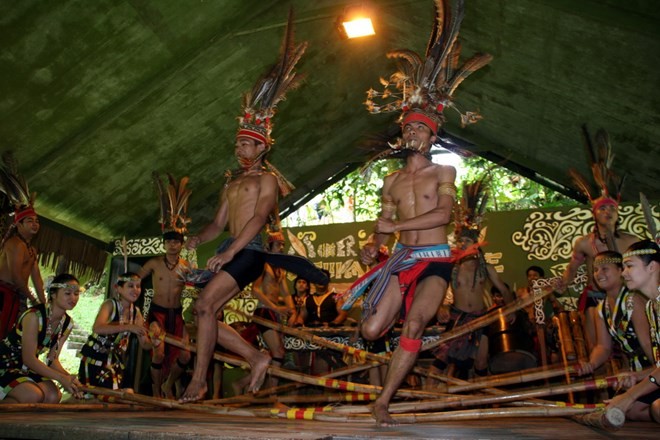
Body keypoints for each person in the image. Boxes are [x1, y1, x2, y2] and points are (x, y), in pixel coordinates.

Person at [349, 0, 491, 425]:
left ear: (431, 137)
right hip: (399, 260)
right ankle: (396, 360)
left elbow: (443, 217)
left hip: (434, 261)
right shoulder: (390, 182)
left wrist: (396, 226)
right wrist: (372, 248)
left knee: (413, 325)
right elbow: (381, 230)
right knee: (371, 331)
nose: (412, 132)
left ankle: (383, 400)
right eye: (407, 127)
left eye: (420, 129)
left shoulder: (443, 170)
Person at [178, 16, 318, 403]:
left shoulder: (267, 181)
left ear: (262, 148)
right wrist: (197, 239)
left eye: (246, 145)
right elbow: (218, 224)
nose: (239, 149)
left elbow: (257, 219)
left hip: (251, 252)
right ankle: (255, 357)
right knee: (203, 314)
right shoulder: (232, 183)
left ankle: (199, 381)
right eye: (237, 144)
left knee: (205, 306)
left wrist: (229, 251)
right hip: (235, 249)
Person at [562, 127, 638, 353]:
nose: (607, 211)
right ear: (594, 213)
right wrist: (563, 282)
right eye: (602, 208)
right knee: (597, 349)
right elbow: (572, 270)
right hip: (595, 299)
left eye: (611, 208)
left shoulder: (631, 241)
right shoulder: (585, 243)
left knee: (631, 349)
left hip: (627, 299)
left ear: (618, 213)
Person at [430, 178, 513, 380]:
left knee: (481, 361)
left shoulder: (486, 268)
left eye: (467, 241)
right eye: (461, 241)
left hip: (481, 317)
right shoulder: (451, 266)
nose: (463, 244)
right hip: (457, 317)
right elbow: (439, 288)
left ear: (476, 244)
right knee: (441, 360)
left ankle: (482, 404)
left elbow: (503, 289)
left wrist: (512, 310)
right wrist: (441, 306)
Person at [0, 273, 82, 403]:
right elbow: (29, 359)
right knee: (32, 395)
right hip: (5, 365)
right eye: (67, 293)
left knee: (53, 396)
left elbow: (52, 360)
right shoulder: (34, 316)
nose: (73, 298)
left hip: (26, 369)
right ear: (53, 294)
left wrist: (69, 379)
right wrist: (61, 378)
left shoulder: (67, 323)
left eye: (76, 294)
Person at [606, 240, 660, 423]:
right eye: (623, 267)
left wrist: (629, 396)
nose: (623, 273)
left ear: (652, 266)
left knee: (658, 408)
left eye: (629, 266)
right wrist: (635, 376)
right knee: (634, 411)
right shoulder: (651, 307)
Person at [576, 251, 653, 376]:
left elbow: (647, 343)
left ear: (620, 271)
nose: (598, 274)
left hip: (651, 366)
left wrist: (655, 375)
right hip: (635, 370)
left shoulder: (632, 300)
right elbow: (603, 347)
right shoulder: (601, 308)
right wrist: (591, 364)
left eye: (605, 269)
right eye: (595, 269)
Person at [78, 272, 155, 390]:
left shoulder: (136, 312)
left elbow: (144, 343)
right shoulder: (109, 305)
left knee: (128, 392)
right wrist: (128, 326)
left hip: (115, 361)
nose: (136, 290)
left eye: (138, 286)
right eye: (130, 286)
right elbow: (97, 328)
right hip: (95, 358)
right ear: (118, 288)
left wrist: (155, 341)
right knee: (104, 395)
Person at [139, 230, 192, 399]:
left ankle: (167, 384)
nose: (172, 244)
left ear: (181, 245)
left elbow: (198, 284)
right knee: (159, 352)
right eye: (168, 241)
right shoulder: (154, 263)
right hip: (157, 313)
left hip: (176, 314)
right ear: (164, 244)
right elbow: (134, 279)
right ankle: (156, 392)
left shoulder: (186, 266)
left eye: (176, 242)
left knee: (186, 354)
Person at [249, 229, 296, 386]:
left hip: (274, 312)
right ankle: (272, 395)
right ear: (269, 246)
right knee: (278, 352)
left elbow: (286, 294)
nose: (281, 248)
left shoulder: (280, 269)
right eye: (278, 244)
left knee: (274, 354)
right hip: (264, 311)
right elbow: (254, 290)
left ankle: (243, 384)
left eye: (283, 244)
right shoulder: (263, 265)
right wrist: (276, 308)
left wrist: (293, 311)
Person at [0, 205, 46, 340]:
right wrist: (33, 300)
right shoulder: (16, 244)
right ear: (19, 225)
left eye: (37, 221)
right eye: (30, 221)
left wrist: (43, 304)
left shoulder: (32, 250)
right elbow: (16, 277)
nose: (35, 224)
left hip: (16, 295)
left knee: (11, 335)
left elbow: (37, 279)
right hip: (4, 293)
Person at [516, 266, 564, 365]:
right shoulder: (521, 292)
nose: (532, 278)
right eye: (529, 276)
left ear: (541, 278)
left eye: (535, 275)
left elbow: (558, 307)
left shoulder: (545, 291)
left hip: (542, 326)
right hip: (525, 327)